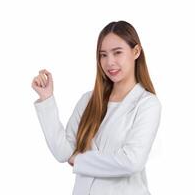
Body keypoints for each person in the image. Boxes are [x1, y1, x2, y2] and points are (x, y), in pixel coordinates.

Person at [31, 20, 162, 195]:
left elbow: (132, 161)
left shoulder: (147, 104)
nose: (109, 62)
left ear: (136, 51)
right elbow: (63, 152)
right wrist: (46, 98)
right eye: (103, 55)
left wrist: (80, 161)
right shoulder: (89, 100)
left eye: (117, 53)